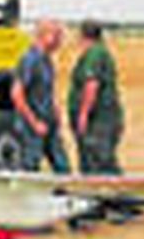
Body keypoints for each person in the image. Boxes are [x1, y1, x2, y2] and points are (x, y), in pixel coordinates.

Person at [10, 19, 70, 173]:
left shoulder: (47, 60)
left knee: (62, 166)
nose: (60, 41)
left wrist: (55, 110)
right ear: (45, 35)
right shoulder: (30, 60)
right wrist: (34, 122)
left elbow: (47, 91)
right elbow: (17, 94)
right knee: (30, 166)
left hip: (48, 122)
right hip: (31, 126)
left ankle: (62, 194)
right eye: (57, 36)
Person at [68, 20, 124, 175]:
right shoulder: (100, 52)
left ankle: (114, 193)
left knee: (100, 161)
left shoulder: (94, 54)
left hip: (98, 120)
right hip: (102, 118)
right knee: (94, 159)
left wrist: (83, 114)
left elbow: (91, 85)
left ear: (83, 36)